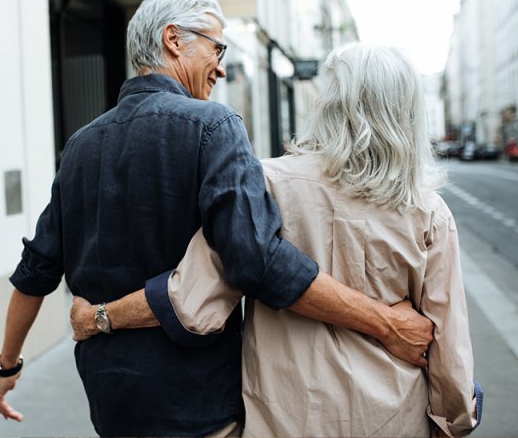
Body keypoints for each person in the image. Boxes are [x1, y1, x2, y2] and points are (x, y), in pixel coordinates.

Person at [0, 0, 434, 437]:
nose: (221, 66)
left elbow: (36, 269)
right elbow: (256, 261)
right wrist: (386, 323)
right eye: (216, 48)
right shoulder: (214, 126)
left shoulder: (81, 145)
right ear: (173, 40)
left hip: (110, 400)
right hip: (196, 403)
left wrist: (7, 365)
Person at [72, 43, 482, 437]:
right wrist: (454, 420)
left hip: (286, 417)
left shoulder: (264, 183)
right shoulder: (426, 209)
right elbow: (449, 342)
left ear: (326, 105)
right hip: (394, 415)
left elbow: (191, 302)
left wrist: (99, 317)